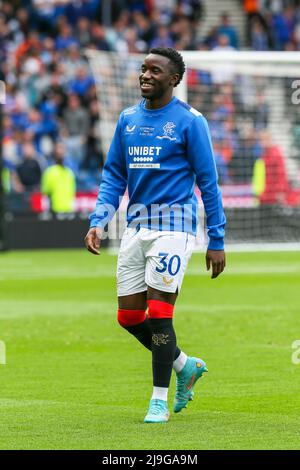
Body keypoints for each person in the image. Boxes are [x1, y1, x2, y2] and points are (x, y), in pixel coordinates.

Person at [85, 47, 226, 423]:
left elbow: (208, 182)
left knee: (160, 314)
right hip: (136, 226)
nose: (145, 75)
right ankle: (185, 365)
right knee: (128, 317)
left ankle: (158, 400)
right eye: (143, 69)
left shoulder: (190, 121)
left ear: (174, 79)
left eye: (155, 70)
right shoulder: (128, 119)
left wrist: (217, 238)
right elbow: (114, 174)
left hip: (174, 228)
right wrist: (99, 219)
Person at [41, 142, 76, 213]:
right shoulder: (49, 172)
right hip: (54, 211)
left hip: (69, 211)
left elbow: (73, 193)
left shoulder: (69, 172)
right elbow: (45, 192)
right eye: (58, 153)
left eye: (62, 152)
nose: (61, 154)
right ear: (54, 154)